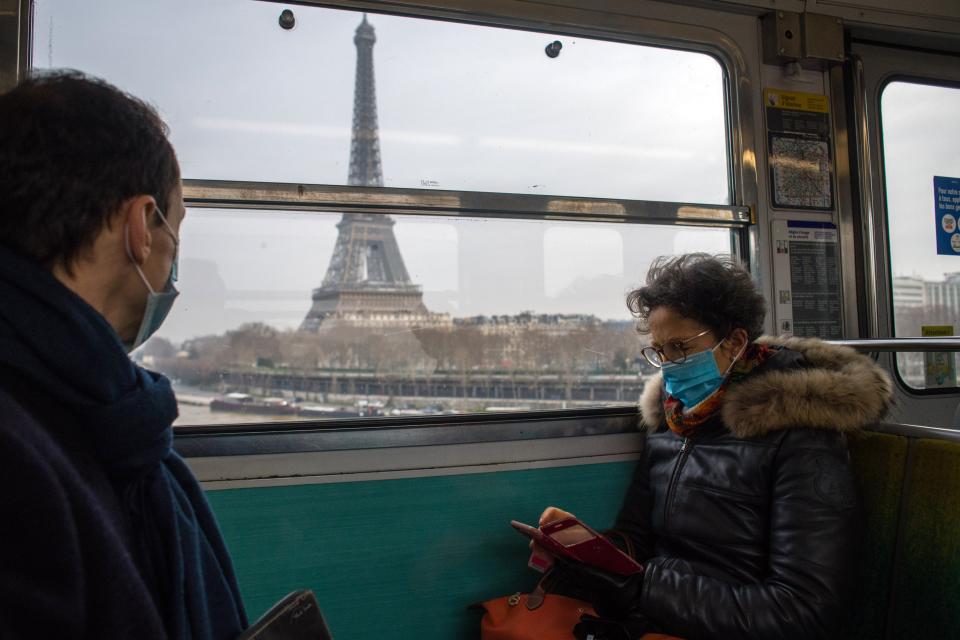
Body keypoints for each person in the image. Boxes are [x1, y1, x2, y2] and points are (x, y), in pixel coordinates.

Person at [0, 72, 247, 638]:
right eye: (175, 231)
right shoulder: (31, 457)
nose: (172, 263)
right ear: (141, 226)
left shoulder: (63, 418)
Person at [535, 253, 892, 639]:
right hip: (657, 619)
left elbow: (803, 610)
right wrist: (586, 551)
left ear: (735, 342)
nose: (670, 366)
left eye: (681, 348)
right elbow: (637, 538)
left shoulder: (801, 438)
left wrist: (644, 589)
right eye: (660, 351)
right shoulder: (670, 423)